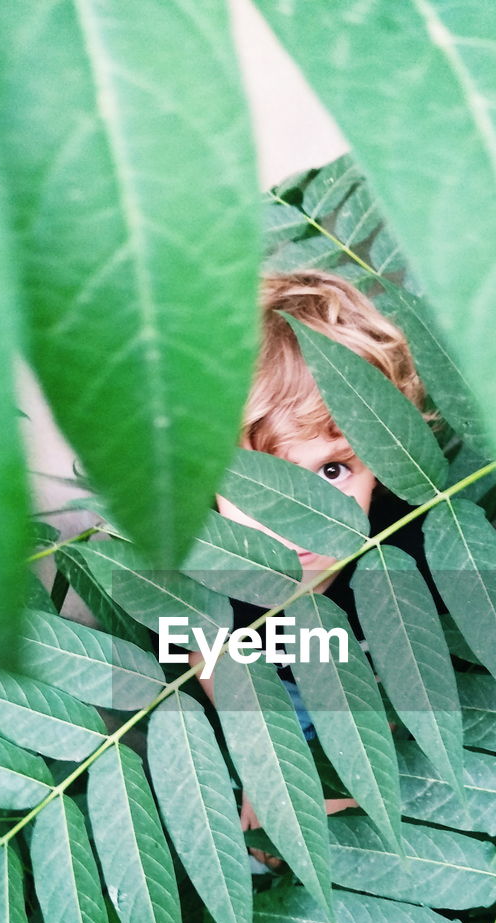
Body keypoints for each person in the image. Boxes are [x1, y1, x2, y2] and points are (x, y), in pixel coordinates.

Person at [193, 268, 431, 841]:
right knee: (247, 827)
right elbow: (204, 652)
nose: (301, 513)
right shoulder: (200, 557)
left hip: (376, 685)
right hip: (256, 689)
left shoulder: (407, 541)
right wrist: (266, 761)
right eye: (261, 482)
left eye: (332, 470)